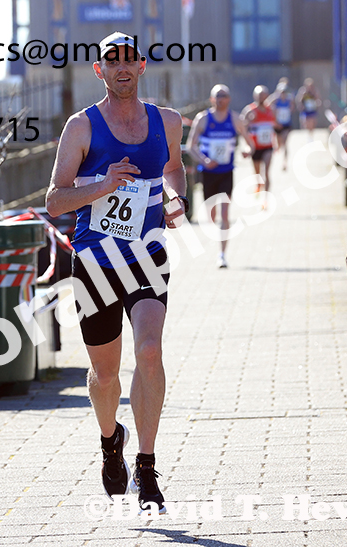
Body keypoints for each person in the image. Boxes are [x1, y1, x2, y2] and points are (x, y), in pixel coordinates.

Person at [45, 31, 187, 514]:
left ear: (142, 66)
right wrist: (104, 184)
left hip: (147, 256)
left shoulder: (167, 121)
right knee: (105, 375)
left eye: (129, 60)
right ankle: (111, 440)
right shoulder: (80, 128)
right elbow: (54, 199)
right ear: (99, 70)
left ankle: (147, 467)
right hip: (95, 263)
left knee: (149, 352)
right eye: (112, 61)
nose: (121, 68)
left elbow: (175, 169)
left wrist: (175, 198)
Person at [187, 84, 251, 268]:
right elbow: (191, 146)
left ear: (229, 99)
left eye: (224, 95)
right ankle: (217, 237)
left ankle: (222, 254)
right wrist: (205, 160)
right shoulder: (203, 119)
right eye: (218, 96)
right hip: (208, 173)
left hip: (226, 172)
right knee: (211, 215)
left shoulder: (235, 119)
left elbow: (249, 143)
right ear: (212, 99)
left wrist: (247, 151)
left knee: (224, 213)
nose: (221, 99)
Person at [240, 85, 276, 200]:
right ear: (255, 96)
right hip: (255, 147)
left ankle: (266, 198)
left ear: (267, 96)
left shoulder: (271, 110)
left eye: (263, 95)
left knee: (266, 173)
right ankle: (258, 184)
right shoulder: (249, 110)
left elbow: (276, 125)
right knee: (257, 174)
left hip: (268, 146)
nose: (261, 97)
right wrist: (249, 121)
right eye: (259, 95)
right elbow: (241, 126)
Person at [267, 78, 294, 170]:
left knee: (285, 142)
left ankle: (285, 162)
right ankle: (279, 158)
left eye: (284, 92)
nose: (283, 94)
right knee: (279, 144)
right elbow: (267, 104)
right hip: (277, 125)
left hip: (286, 124)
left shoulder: (289, 100)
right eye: (281, 92)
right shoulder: (275, 100)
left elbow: (292, 108)